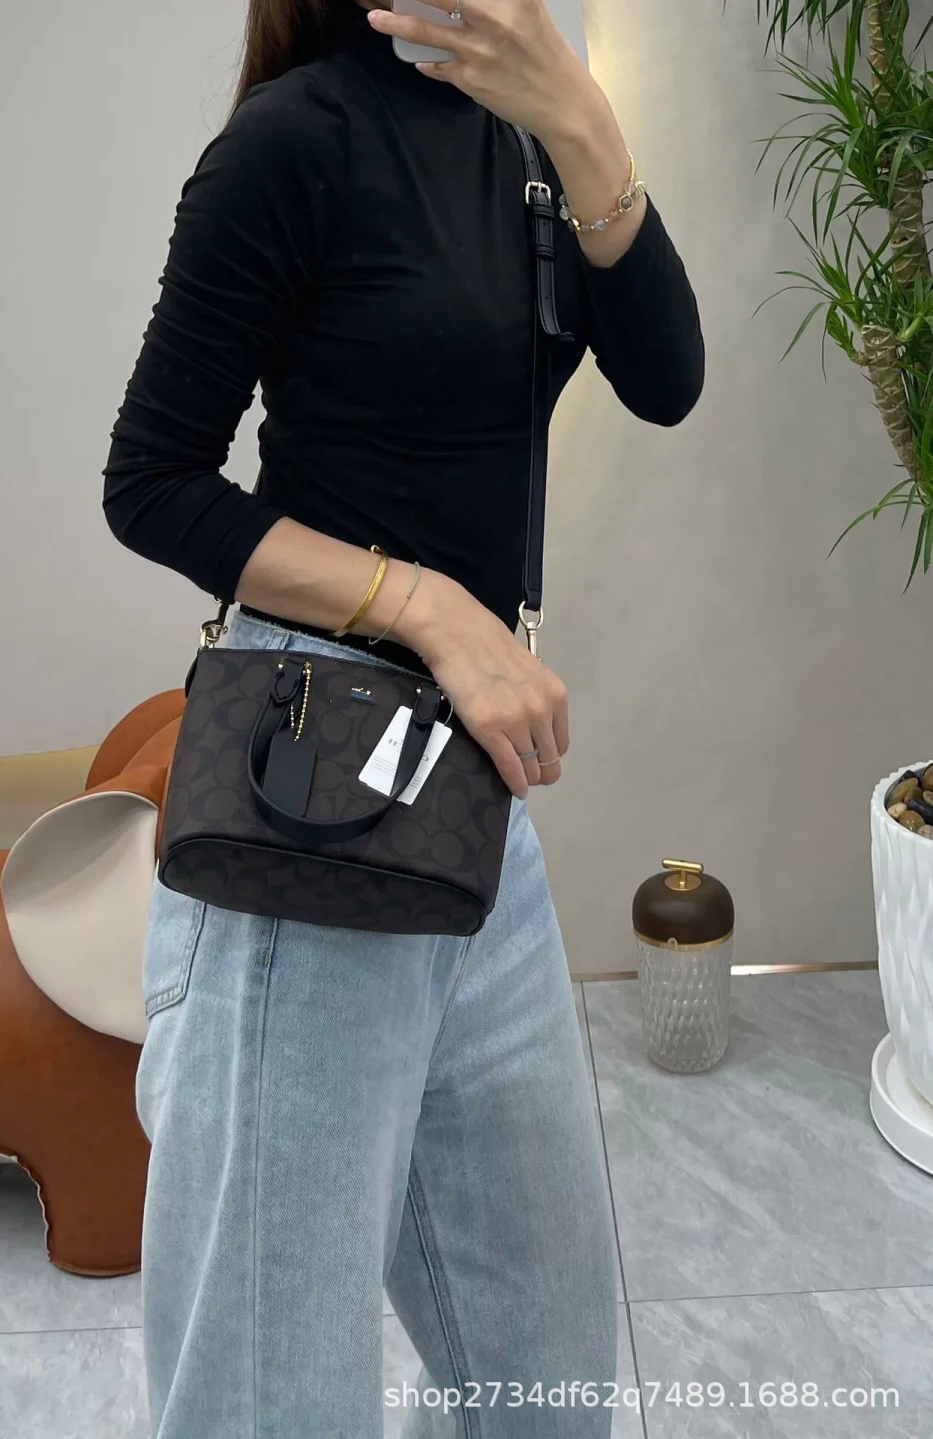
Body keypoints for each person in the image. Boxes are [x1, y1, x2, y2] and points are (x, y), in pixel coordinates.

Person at [101, 0, 704, 1433]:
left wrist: (586, 121)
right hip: (312, 791)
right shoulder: (292, 142)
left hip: (471, 811)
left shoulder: (534, 146)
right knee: (274, 1402)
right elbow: (152, 482)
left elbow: (667, 379)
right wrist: (430, 606)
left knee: (546, 1383)